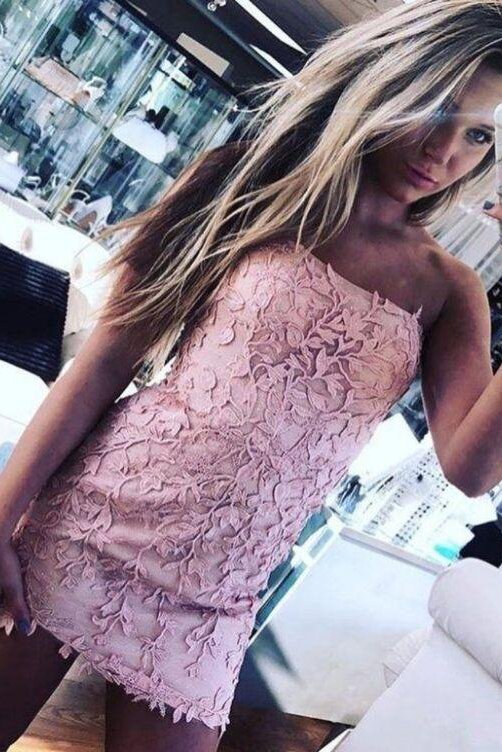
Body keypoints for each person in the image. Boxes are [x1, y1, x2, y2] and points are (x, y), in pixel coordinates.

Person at [1, 1, 502, 750]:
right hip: (88, 527)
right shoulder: (245, 184)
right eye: (436, 109)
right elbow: (106, 361)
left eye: (479, 135)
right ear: (390, 83)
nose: (445, 150)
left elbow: (472, 469)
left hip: (213, 603)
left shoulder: (448, 290)